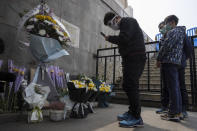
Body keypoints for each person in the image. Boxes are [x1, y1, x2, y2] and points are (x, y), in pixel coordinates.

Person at [103, 12, 146, 127]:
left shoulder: (128, 21)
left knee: (131, 85)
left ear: (116, 18)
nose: (111, 26)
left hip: (135, 57)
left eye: (110, 23)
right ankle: (131, 112)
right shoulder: (124, 26)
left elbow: (124, 39)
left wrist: (110, 38)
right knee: (126, 85)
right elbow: (124, 42)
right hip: (129, 58)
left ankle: (137, 118)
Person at [156, 18, 189, 120]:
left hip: (170, 61)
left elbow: (167, 45)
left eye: (166, 24)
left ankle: (174, 113)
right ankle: (176, 112)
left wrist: (158, 58)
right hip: (175, 62)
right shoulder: (180, 32)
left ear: (172, 23)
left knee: (173, 88)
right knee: (175, 88)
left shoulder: (174, 31)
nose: (165, 27)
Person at [155, 21, 169, 114]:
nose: (161, 29)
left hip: (173, 63)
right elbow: (160, 51)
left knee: (175, 86)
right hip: (164, 64)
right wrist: (159, 60)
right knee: (164, 86)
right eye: (159, 28)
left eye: (162, 27)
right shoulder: (161, 40)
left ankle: (180, 108)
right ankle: (164, 106)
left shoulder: (173, 35)